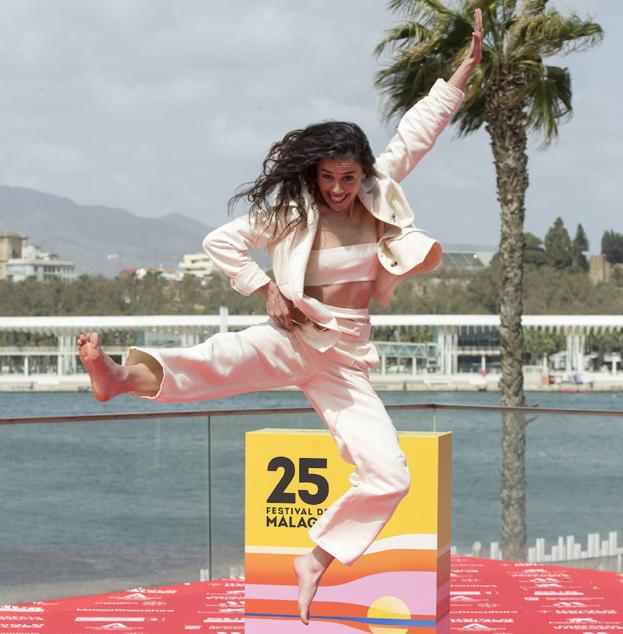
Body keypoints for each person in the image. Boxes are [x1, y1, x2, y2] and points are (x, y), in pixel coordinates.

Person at [77, 10, 483, 625]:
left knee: (390, 474)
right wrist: (263, 287)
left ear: (363, 172)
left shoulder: (380, 191)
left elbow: (420, 128)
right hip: (290, 335)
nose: (339, 189)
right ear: (313, 174)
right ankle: (115, 378)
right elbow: (221, 241)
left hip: (344, 356)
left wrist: (465, 69)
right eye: (328, 177)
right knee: (207, 362)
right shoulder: (292, 211)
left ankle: (317, 557)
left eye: (348, 177)